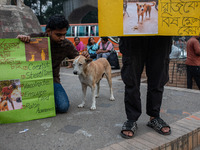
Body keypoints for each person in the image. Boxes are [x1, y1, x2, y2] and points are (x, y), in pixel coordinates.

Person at [17, 14, 89, 113]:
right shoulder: (34, 39)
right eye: (58, 35)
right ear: (48, 31)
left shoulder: (66, 45)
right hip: (30, 79)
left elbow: (78, 58)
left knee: (63, 106)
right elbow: (14, 50)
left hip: (52, 80)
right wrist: (20, 39)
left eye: (64, 34)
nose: (62, 38)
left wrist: (85, 56)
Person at [119, 36, 172, 139]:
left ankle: (154, 116)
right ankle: (132, 119)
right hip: (132, 32)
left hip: (161, 34)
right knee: (131, 78)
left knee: (158, 78)